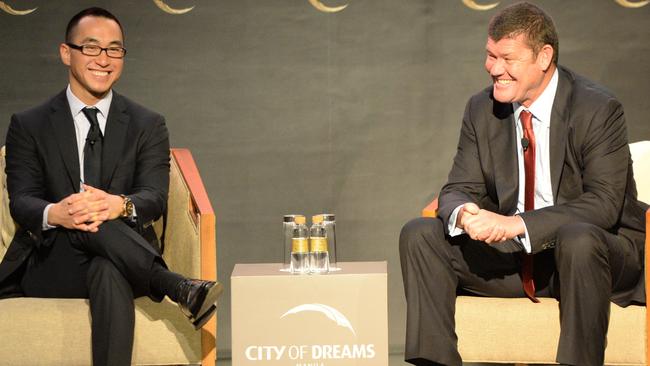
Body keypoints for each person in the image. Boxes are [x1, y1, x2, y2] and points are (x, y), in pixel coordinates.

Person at [399, 2, 647, 366]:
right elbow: (456, 188)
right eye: (489, 55)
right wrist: (465, 213)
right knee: (420, 233)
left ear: (544, 57)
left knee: (578, 238)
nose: (494, 68)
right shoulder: (482, 109)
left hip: (590, 259)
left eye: (507, 58)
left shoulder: (597, 110)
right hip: (518, 260)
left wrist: (516, 224)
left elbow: (604, 204)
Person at [0, 7, 223, 366]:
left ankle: (173, 284)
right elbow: (22, 201)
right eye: (91, 48)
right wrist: (58, 213)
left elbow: (154, 197)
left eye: (114, 49)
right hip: (52, 264)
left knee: (107, 266)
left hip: (125, 263)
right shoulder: (29, 124)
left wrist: (119, 206)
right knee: (85, 223)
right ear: (65, 52)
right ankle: (175, 285)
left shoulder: (147, 124)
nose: (103, 59)